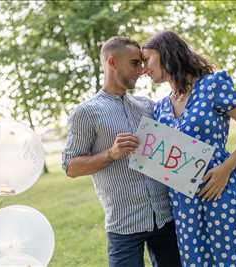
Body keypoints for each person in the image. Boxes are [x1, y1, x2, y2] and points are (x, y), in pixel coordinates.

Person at [142, 31, 236, 266]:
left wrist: (227, 168)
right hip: (185, 206)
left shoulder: (213, 85)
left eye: (147, 59)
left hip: (220, 191)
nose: (144, 68)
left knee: (233, 260)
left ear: (166, 55)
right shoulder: (160, 107)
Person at [62, 36, 181, 267]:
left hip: (165, 218)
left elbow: (177, 145)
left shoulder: (147, 105)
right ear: (112, 62)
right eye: (135, 63)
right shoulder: (86, 113)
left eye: (143, 63)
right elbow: (70, 167)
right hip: (124, 225)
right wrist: (111, 154)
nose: (142, 69)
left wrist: (222, 163)